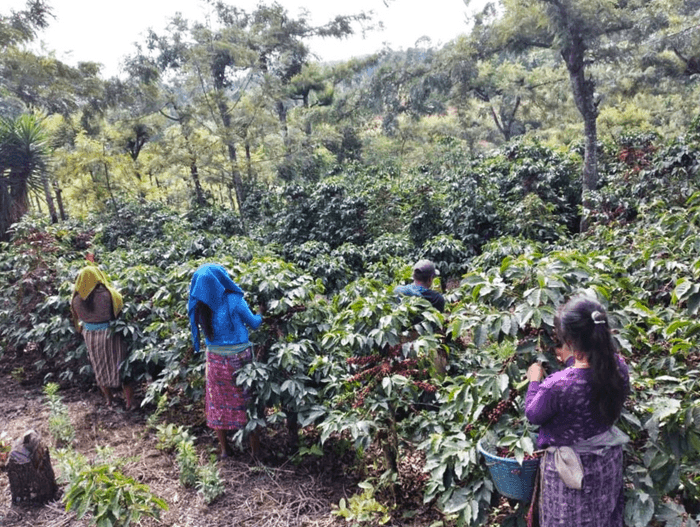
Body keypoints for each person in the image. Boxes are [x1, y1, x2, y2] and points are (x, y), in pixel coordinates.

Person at [524, 296, 630, 527]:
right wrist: (572, 359)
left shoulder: (558, 386)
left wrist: (534, 381)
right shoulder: (618, 366)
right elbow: (589, 377)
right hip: (606, 464)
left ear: (569, 340)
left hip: (570, 475)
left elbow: (533, 415)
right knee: (603, 518)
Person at [188, 263, 263, 459]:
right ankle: (255, 452)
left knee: (217, 402)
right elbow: (254, 324)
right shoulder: (233, 300)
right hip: (239, 359)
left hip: (214, 360)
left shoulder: (199, 306)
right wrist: (261, 312)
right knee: (248, 401)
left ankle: (224, 450)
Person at [71, 264, 135, 410]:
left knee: (99, 366)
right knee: (121, 366)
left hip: (90, 336)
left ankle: (109, 400)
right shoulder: (109, 295)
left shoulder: (75, 299)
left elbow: (78, 317)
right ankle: (130, 402)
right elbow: (118, 312)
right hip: (111, 334)